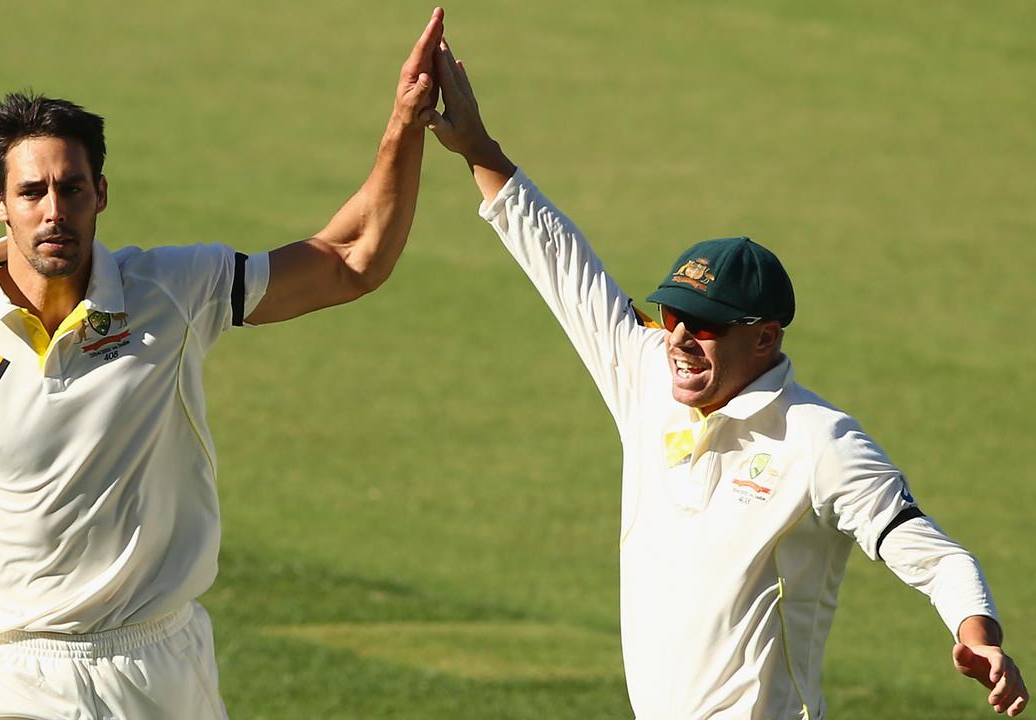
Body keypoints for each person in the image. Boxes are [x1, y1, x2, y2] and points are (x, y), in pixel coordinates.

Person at [0, 9, 446, 718]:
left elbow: (348, 261)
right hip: (15, 675)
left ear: (101, 194)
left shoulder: (173, 292)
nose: (53, 210)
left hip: (163, 667)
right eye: (31, 192)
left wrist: (403, 124)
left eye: (72, 188)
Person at [423, 39, 1028, 719]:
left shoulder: (819, 441)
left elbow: (938, 557)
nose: (678, 337)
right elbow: (562, 264)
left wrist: (978, 635)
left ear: (765, 338)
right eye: (671, 313)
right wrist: (478, 146)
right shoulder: (646, 374)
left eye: (704, 324)